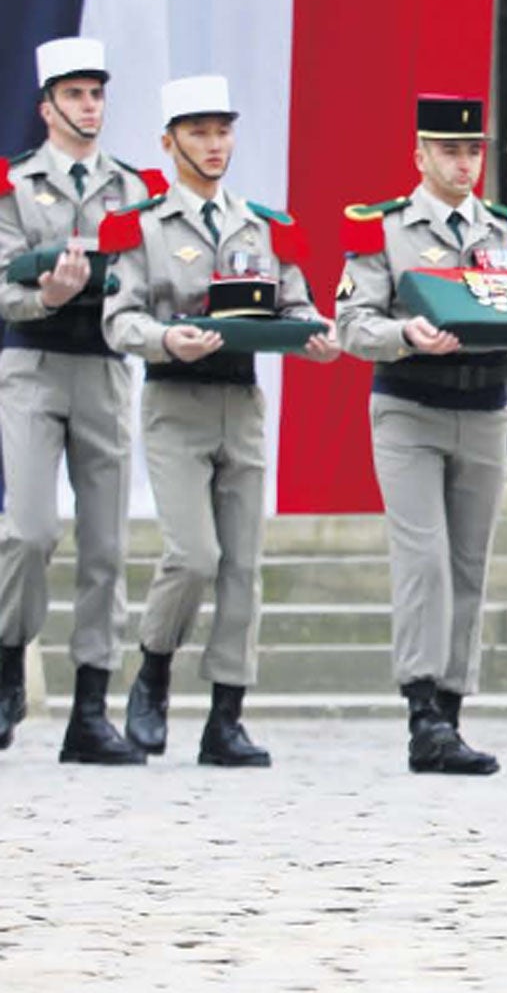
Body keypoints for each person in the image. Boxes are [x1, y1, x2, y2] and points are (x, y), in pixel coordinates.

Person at [101, 75, 340, 766]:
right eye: (199, 133)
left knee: (242, 565)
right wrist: (164, 338)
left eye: (222, 131)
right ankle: (152, 673)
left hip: (242, 400)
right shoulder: (143, 226)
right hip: (177, 399)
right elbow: (120, 319)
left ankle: (226, 716)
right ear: (168, 142)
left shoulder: (262, 225)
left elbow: (295, 303)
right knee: (194, 554)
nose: (214, 145)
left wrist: (314, 335)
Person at [334, 94, 507, 777]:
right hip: (410, 406)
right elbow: (352, 325)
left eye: (472, 150)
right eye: (449, 151)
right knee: (422, 557)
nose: (464, 163)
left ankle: (451, 710)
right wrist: (405, 334)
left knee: (468, 564)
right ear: (419, 156)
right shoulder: (384, 229)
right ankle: (421, 709)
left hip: (484, 406)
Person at [0, 37, 165, 762]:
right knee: (30, 530)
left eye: (96, 93)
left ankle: (91, 708)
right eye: (74, 94)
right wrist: (46, 294)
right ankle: (8, 664)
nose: (89, 107)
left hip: (103, 365)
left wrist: (108, 293)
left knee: (106, 543)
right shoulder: (14, 184)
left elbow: (148, 274)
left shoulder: (133, 188)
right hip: (34, 363)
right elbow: (4, 283)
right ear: (47, 106)